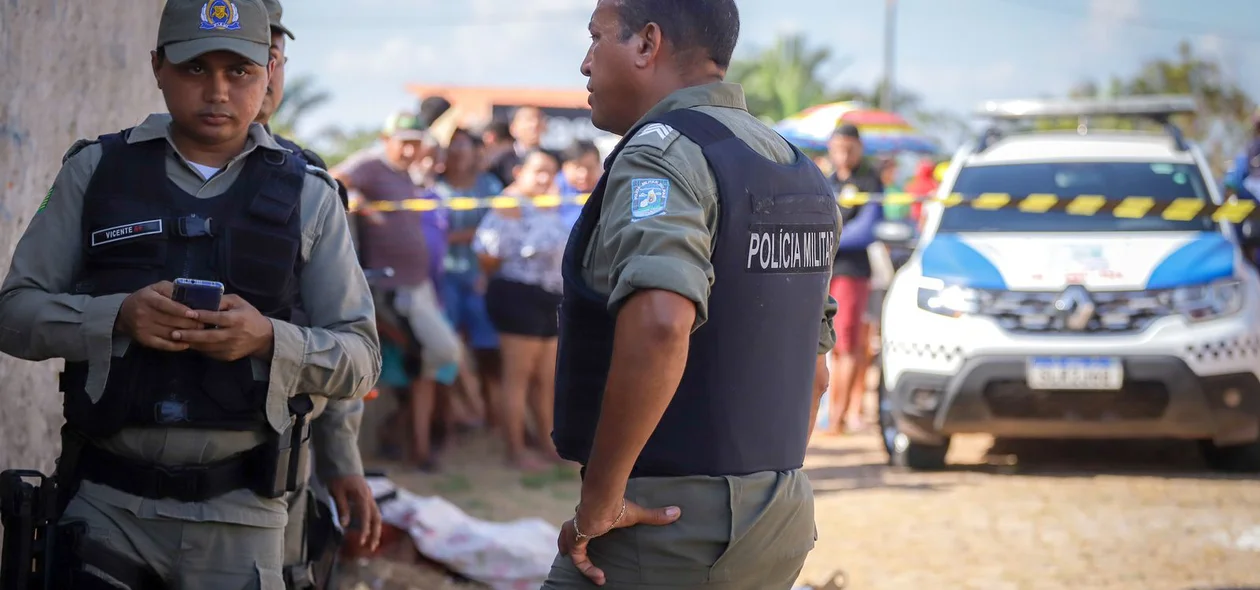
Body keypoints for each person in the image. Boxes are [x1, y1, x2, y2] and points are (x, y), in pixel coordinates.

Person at [0, 0, 382, 587]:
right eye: (196, 68)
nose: (218, 91)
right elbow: (14, 313)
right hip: (105, 511)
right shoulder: (95, 172)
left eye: (240, 72)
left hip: (244, 519)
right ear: (158, 66)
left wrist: (268, 340)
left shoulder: (309, 193)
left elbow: (360, 358)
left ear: (270, 71)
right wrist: (115, 317)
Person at [545, 1, 840, 588]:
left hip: (668, 520)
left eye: (596, 38)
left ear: (647, 44)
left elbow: (659, 324)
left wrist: (599, 502)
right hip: (778, 511)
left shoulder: (662, 151)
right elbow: (816, 372)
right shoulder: (795, 167)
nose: (584, 64)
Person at [253, 0, 383, 586]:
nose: (263, 72)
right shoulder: (129, 174)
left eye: (273, 57)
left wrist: (342, 461)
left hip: (275, 463)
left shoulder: (308, 186)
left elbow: (342, 337)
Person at [331, 111, 463, 471]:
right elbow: (331, 181)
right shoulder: (372, 164)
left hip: (418, 286)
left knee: (426, 366)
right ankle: (395, 440)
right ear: (386, 140)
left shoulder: (406, 172)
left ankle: (412, 442)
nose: (409, 149)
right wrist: (358, 199)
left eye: (414, 142)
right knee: (439, 354)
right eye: (403, 142)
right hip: (391, 291)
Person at [474, 149, 569, 470]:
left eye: (551, 172)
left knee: (544, 377)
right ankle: (514, 450)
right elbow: (486, 253)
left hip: (548, 295)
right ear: (519, 172)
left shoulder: (545, 205)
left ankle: (546, 443)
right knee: (517, 377)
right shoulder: (507, 204)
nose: (545, 178)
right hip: (517, 294)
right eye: (539, 171)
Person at [435, 127, 505, 430]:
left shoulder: (489, 185)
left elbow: (499, 231)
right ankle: (449, 421)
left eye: (465, 145)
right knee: (447, 354)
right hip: (443, 280)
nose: (459, 152)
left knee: (488, 351)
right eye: (454, 145)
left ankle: (494, 418)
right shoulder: (434, 187)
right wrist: (471, 236)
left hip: (480, 278)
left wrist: (451, 237)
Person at [824, 123, 883, 435]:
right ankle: (832, 413)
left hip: (853, 272)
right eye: (838, 147)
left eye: (849, 147)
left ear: (859, 148)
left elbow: (867, 230)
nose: (843, 153)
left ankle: (839, 417)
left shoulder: (869, 181)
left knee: (847, 343)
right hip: (823, 270)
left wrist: (827, 238)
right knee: (824, 343)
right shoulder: (825, 180)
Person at [556, 140, 603, 229]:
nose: (583, 174)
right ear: (564, 167)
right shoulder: (552, 187)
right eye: (577, 167)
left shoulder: (606, 187)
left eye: (589, 167)